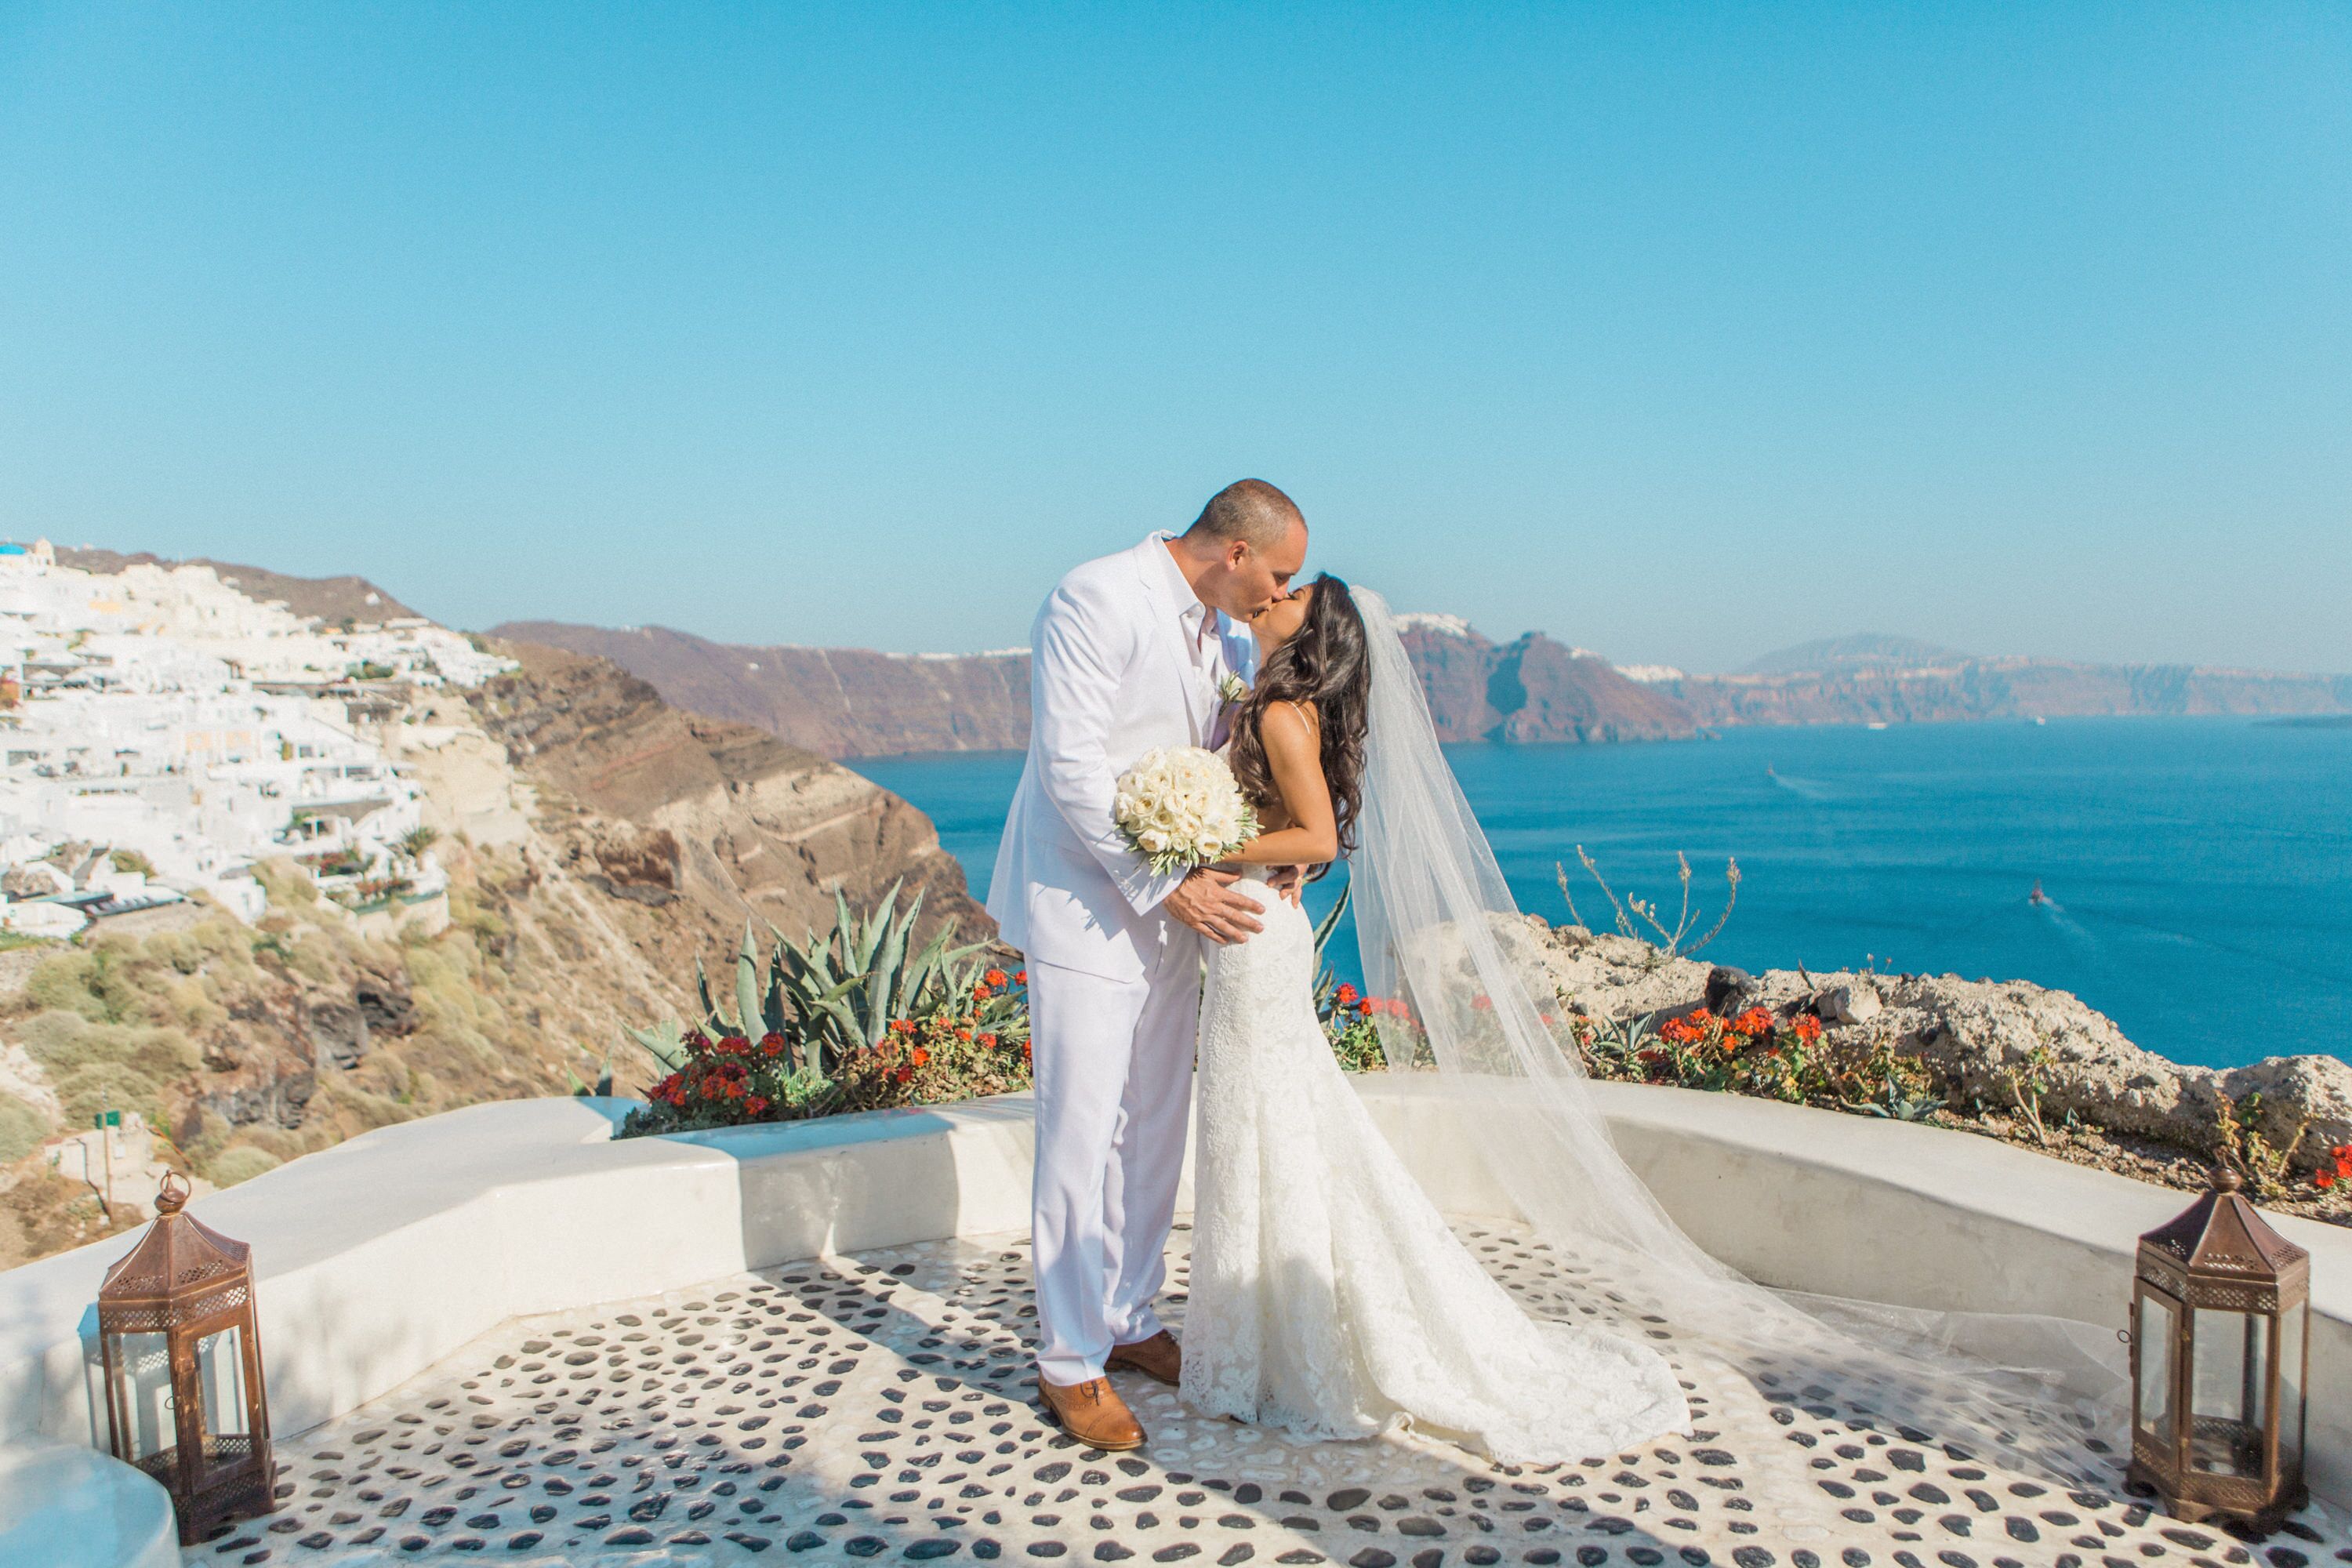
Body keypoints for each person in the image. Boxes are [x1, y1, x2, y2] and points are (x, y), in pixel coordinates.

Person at [1179, 573, 1690, 1459]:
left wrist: (1198, 847)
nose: (1274, 592)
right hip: (1260, 930)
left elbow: (1317, 840)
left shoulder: (1278, 714)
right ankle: (1261, 1336)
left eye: (1295, 592)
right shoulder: (1271, 703)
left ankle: (1285, 1345)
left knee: (1264, 1124)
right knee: (1267, 1124)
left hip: (1258, 935)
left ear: (1316, 629)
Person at [985, 478, 1306, 1450]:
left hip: (1180, 903)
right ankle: (1068, 1359)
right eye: (1279, 574)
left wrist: (1265, 837)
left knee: (1158, 1113)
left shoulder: (1224, 630)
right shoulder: (1094, 596)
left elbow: (1211, 758)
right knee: (1080, 1130)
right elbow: (1071, 766)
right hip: (1087, 904)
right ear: (1237, 552)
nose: (1282, 595)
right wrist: (1163, 882)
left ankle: (1129, 1313)